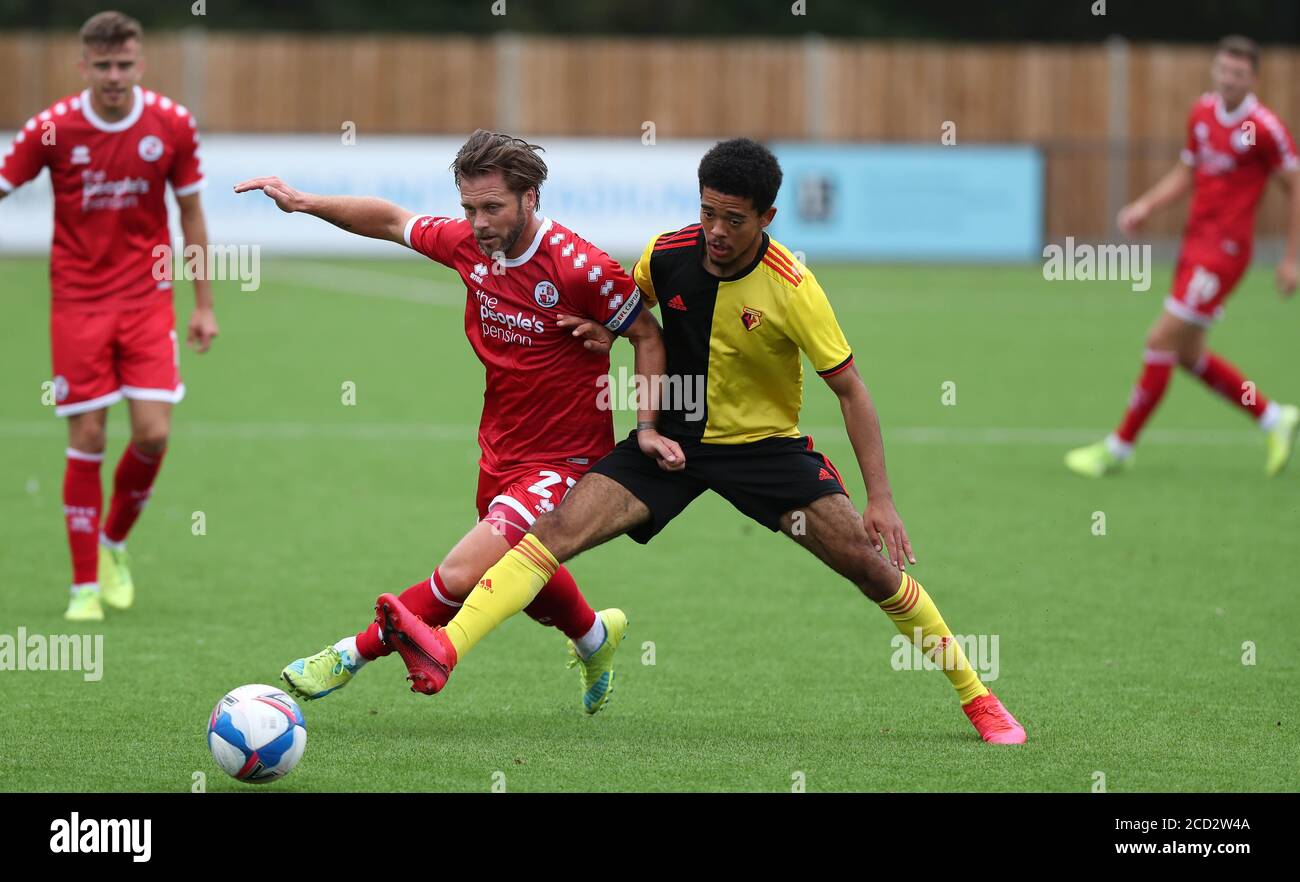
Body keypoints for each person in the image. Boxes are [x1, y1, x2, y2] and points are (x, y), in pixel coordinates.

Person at [372, 138, 1027, 744]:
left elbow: (851, 390)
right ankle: (448, 646)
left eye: (734, 219)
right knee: (549, 532)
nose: (716, 231)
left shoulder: (795, 289)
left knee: (869, 566)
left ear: (767, 216)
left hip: (764, 451)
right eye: (708, 212)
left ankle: (977, 697)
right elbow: (635, 314)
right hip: (671, 442)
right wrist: (604, 332)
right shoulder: (667, 253)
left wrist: (880, 496)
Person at [235, 129, 680, 713]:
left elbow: (648, 334)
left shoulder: (579, 267)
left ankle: (349, 654)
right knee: (520, 573)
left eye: (493, 206)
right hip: (500, 448)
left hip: (566, 462)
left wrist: (646, 427)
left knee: (462, 572)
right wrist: (305, 202)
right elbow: (393, 220)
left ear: (531, 197)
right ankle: (595, 636)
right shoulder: (469, 245)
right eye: (469, 208)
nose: (479, 222)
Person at [0, 10, 218, 621]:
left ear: (140, 63)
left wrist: (203, 303)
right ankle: (83, 588)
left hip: (147, 298)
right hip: (77, 302)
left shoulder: (171, 124)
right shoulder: (53, 129)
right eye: (104, 66)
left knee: (152, 433)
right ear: (84, 67)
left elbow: (192, 215)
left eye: (125, 65)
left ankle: (113, 542)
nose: (115, 76)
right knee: (88, 435)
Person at [1066, 35, 1300, 478]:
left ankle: (1119, 447)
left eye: (1238, 73)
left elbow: (1295, 186)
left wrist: (1292, 258)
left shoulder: (1264, 127)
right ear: (1215, 69)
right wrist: (1146, 206)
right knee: (1188, 355)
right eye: (1223, 69)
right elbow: (1188, 171)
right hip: (1195, 245)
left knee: (1160, 341)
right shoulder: (1203, 112)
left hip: (1226, 253)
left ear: (1253, 78)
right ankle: (1273, 417)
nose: (1229, 78)